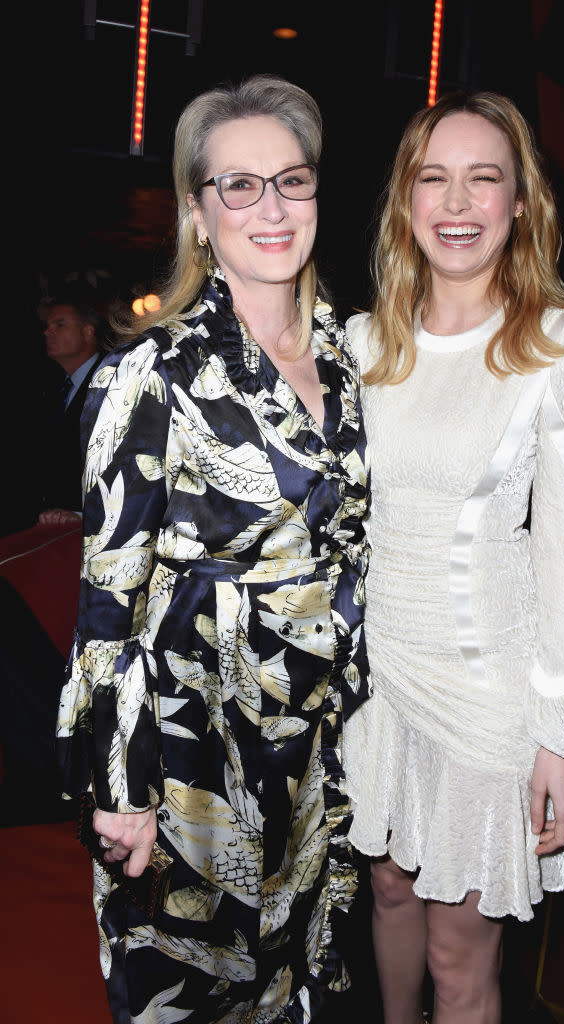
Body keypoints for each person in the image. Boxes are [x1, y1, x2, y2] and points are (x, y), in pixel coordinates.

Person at [55, 74, 370, 1024]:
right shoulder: (149, 372)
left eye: (292, 180)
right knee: (190, 999)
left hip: (319, 751)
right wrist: (118, 792)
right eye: (238, 185)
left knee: (290, 990)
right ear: (199, 213)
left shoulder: (353, 358)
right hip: (192, 753)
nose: (270, 207)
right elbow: (106, 602)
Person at [342, 90, 564, 1023]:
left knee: (456, 952)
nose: (456, 203)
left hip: (488, 689)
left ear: (519, 203)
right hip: (378, 678)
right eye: (434, 178)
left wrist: (559, 730)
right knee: (385, 892)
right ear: (405, 202)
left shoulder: (562, 345)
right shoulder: (359, 344)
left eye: (483, 179)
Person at [38, 296, 105, 525]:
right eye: (47, 326)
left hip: (88, 528)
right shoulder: (49, 387)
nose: (48, 332)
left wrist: (80, 513)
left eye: (59, 325)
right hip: (51, 523)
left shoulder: (111, 382)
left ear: (87, 332)